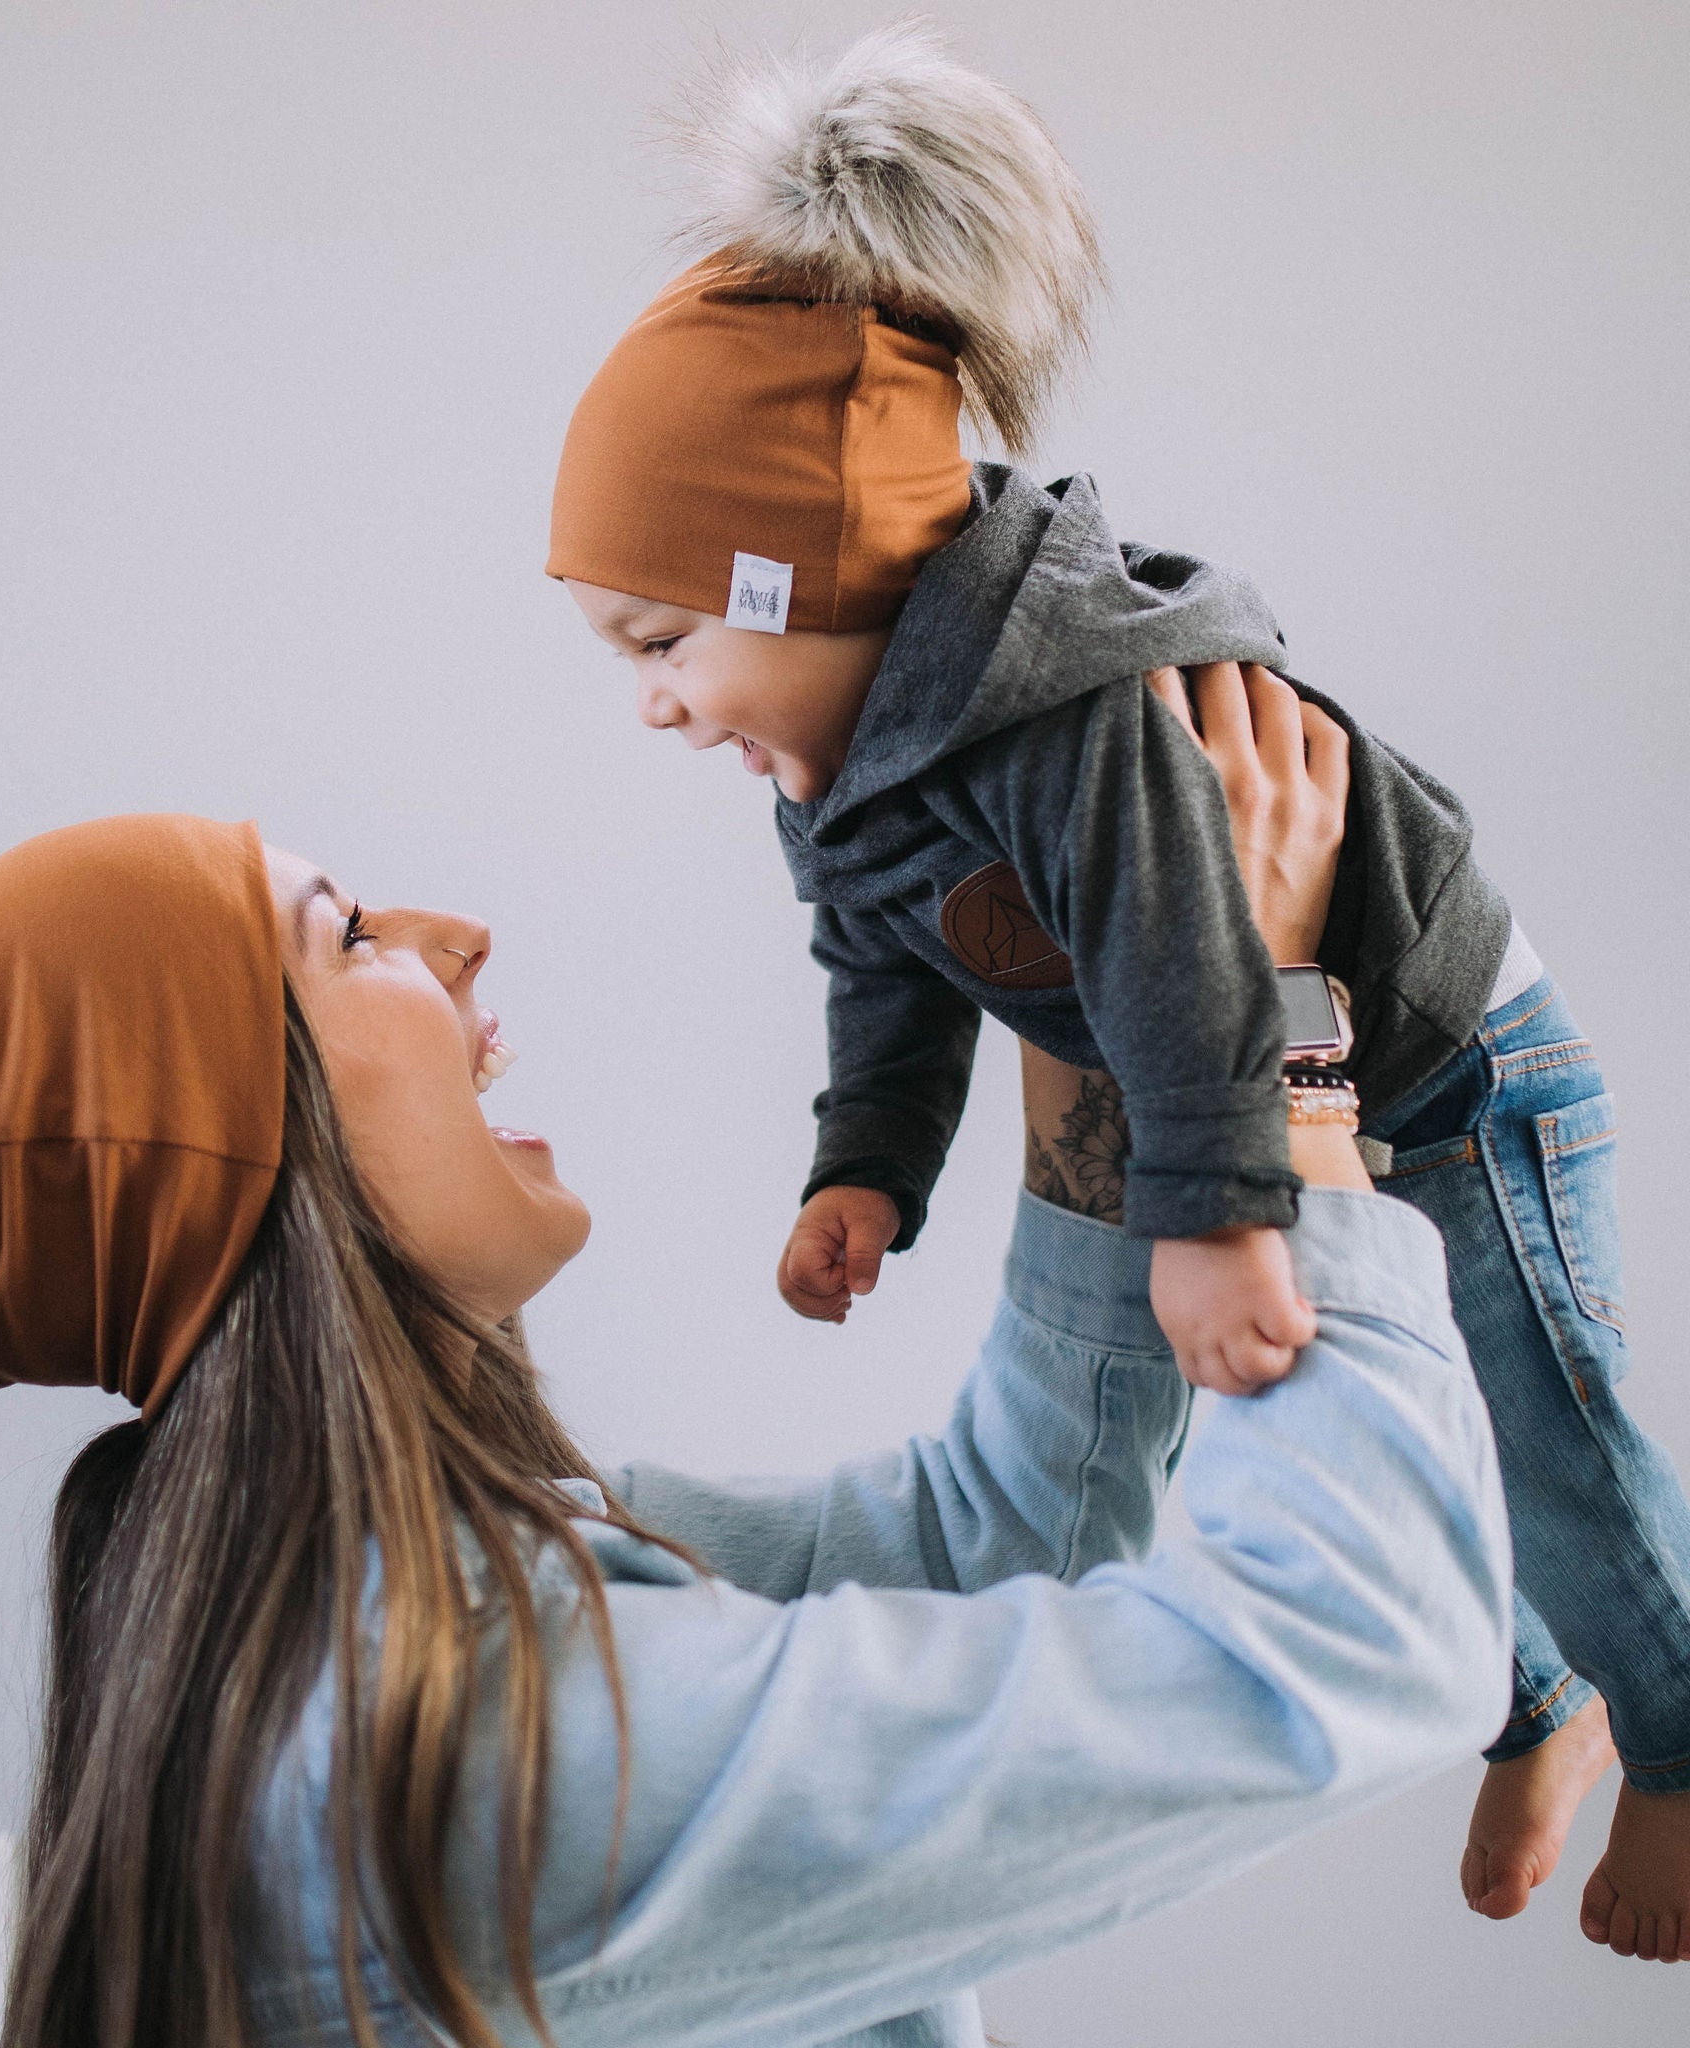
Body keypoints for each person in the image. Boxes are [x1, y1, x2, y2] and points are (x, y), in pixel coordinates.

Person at [0, 691, 1516, 2048]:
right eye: (349, 937)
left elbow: (1001, 1529)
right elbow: (1350, 1644)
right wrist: (1271, 1053)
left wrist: (1101, 985)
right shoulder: (450, 1744)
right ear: (226, 1153)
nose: (452, 939)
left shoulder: (412, 1598)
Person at [547, 23, 1690, 1951]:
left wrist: (1219, 1216)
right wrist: (868, 1171)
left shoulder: (1063, 712)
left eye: (664, 640)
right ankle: (1539, 1704)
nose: (654, 700)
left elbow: (1186, 954)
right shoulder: (830, 788)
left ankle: (1670, 1752)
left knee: (1538, 1423)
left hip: (1443, 1060)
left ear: (797, 578)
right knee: (1343, 1403)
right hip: (1243, 1091)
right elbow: (884, 984)